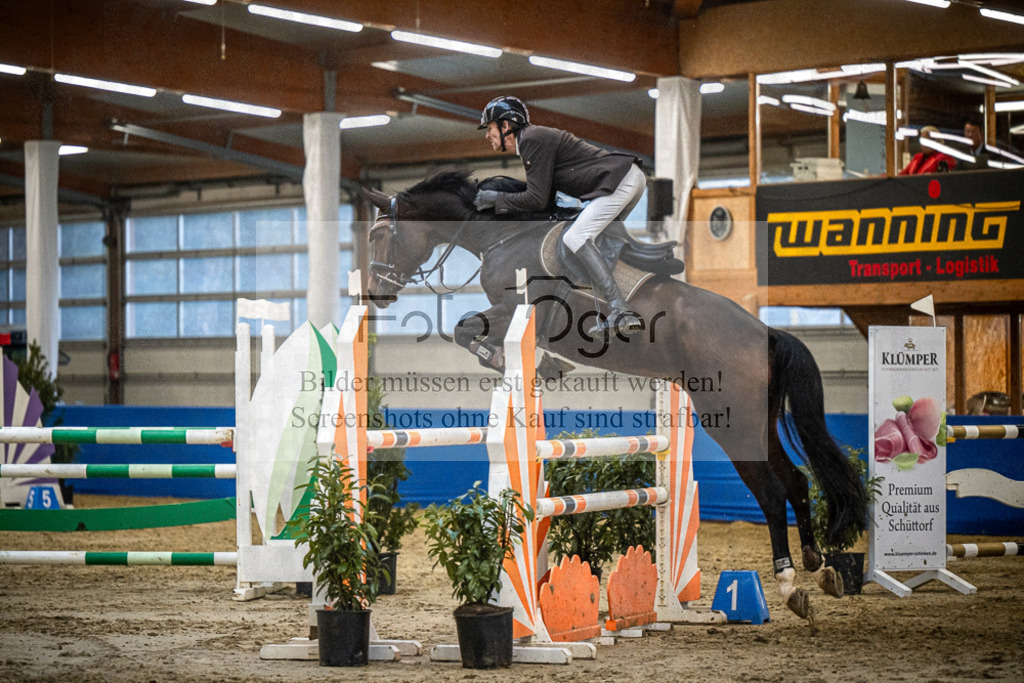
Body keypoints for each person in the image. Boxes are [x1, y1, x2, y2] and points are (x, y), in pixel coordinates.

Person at [473, 95, 645, 336]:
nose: (486, 135)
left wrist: (496, 201)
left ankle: (619, 308)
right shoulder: (532, 141)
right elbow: (545, 201)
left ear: (505, 126)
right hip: (624, 178)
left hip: (618, 181)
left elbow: (536, 199)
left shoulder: (531, 139)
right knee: (592, 239)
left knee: (575, 238)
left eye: (490, 128)